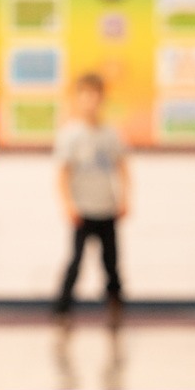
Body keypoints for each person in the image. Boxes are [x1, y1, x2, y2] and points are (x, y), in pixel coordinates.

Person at [53, 73, 130, 371]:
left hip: (106, 208)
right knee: (75, 261)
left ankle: (115, 308)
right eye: (85, 95)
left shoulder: (109, 134)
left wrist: (124, 198)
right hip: (82, 210)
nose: (91, 101)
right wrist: (68, 204)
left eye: (95, 95)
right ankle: (62, 312)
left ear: (101, 98)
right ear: (77, 98)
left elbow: (123, 167)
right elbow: (62, 173)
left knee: (111, 263)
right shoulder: (71, 134)